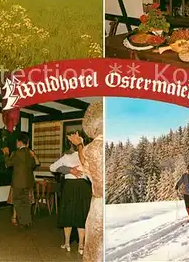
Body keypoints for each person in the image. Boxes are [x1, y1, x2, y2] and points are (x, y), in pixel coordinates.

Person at [70, 101, 103, 262]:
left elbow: (85, 165)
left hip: (99, 203)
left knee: (96, 245)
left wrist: (80, 145)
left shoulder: (93, 147)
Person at [50, 140, 91, 255]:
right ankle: (81, 247)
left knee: (68, 214)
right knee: (81, 215)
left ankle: (67, 243)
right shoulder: (87, 157)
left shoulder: (66, 157)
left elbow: (52, 167)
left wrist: (69, 170)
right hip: (83, 187)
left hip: (69, 187)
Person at [2, 132, 38, 227]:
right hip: (29, 182)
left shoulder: (16, 153)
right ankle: (27, 221)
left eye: (17, 142)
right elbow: (34, 165)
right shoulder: (30, 153)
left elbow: (8, 164)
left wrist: (6, 154)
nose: (16, 144)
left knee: (17, 202)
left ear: (20, 142)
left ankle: (22, 222)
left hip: (18, 183)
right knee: (26, 203)